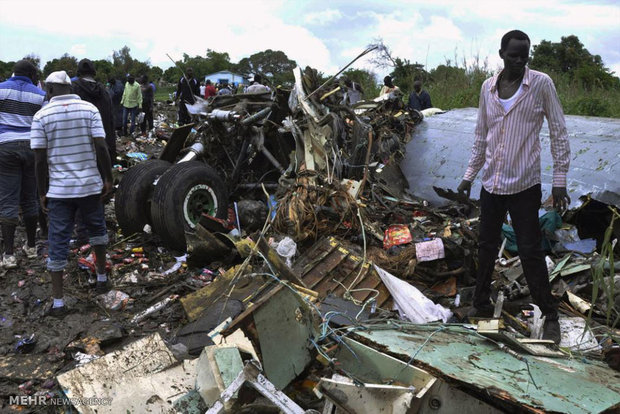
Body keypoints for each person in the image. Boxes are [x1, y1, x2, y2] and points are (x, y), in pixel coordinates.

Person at [456, 30, 570, 344]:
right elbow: (481, 137)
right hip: (491, 184)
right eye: (513, 55)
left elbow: (559, 132)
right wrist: (468, 177)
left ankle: (550, 315)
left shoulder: (541, 85)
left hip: (524, 185)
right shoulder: (487, 88)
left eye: (524, 55)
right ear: (502, 54)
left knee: (532, 251)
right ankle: (480, 304)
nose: (519, 61)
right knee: (486, 246)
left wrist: (559, 182)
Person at [31, 71, 113, 317]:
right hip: (89, 185)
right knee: (97, 232)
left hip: (59, 190)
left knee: (57, 240)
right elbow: (101, 146)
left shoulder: (42, 115)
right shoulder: (89, 110)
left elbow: (39, 159)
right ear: (68, 87)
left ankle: (58, 303)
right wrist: (108, 178)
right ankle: (101, 279)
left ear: (50, 89)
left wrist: (42, 191)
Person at [0, 60, 46, 268]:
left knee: (8, 200)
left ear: (14, 72)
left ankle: (9, 254)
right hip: (31, 148)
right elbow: (43, 121)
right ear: (32, 75)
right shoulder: (40, 94)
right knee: (30, 198)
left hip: (6, 148)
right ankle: (30, 246)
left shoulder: (1, 89)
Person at [72, 59, 116, 162]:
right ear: (94, 73)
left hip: (79, 150)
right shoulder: (105, 93)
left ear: (78, 73)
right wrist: (111, 154)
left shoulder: (72, 90)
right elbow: (110, 122)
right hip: (102, 147)